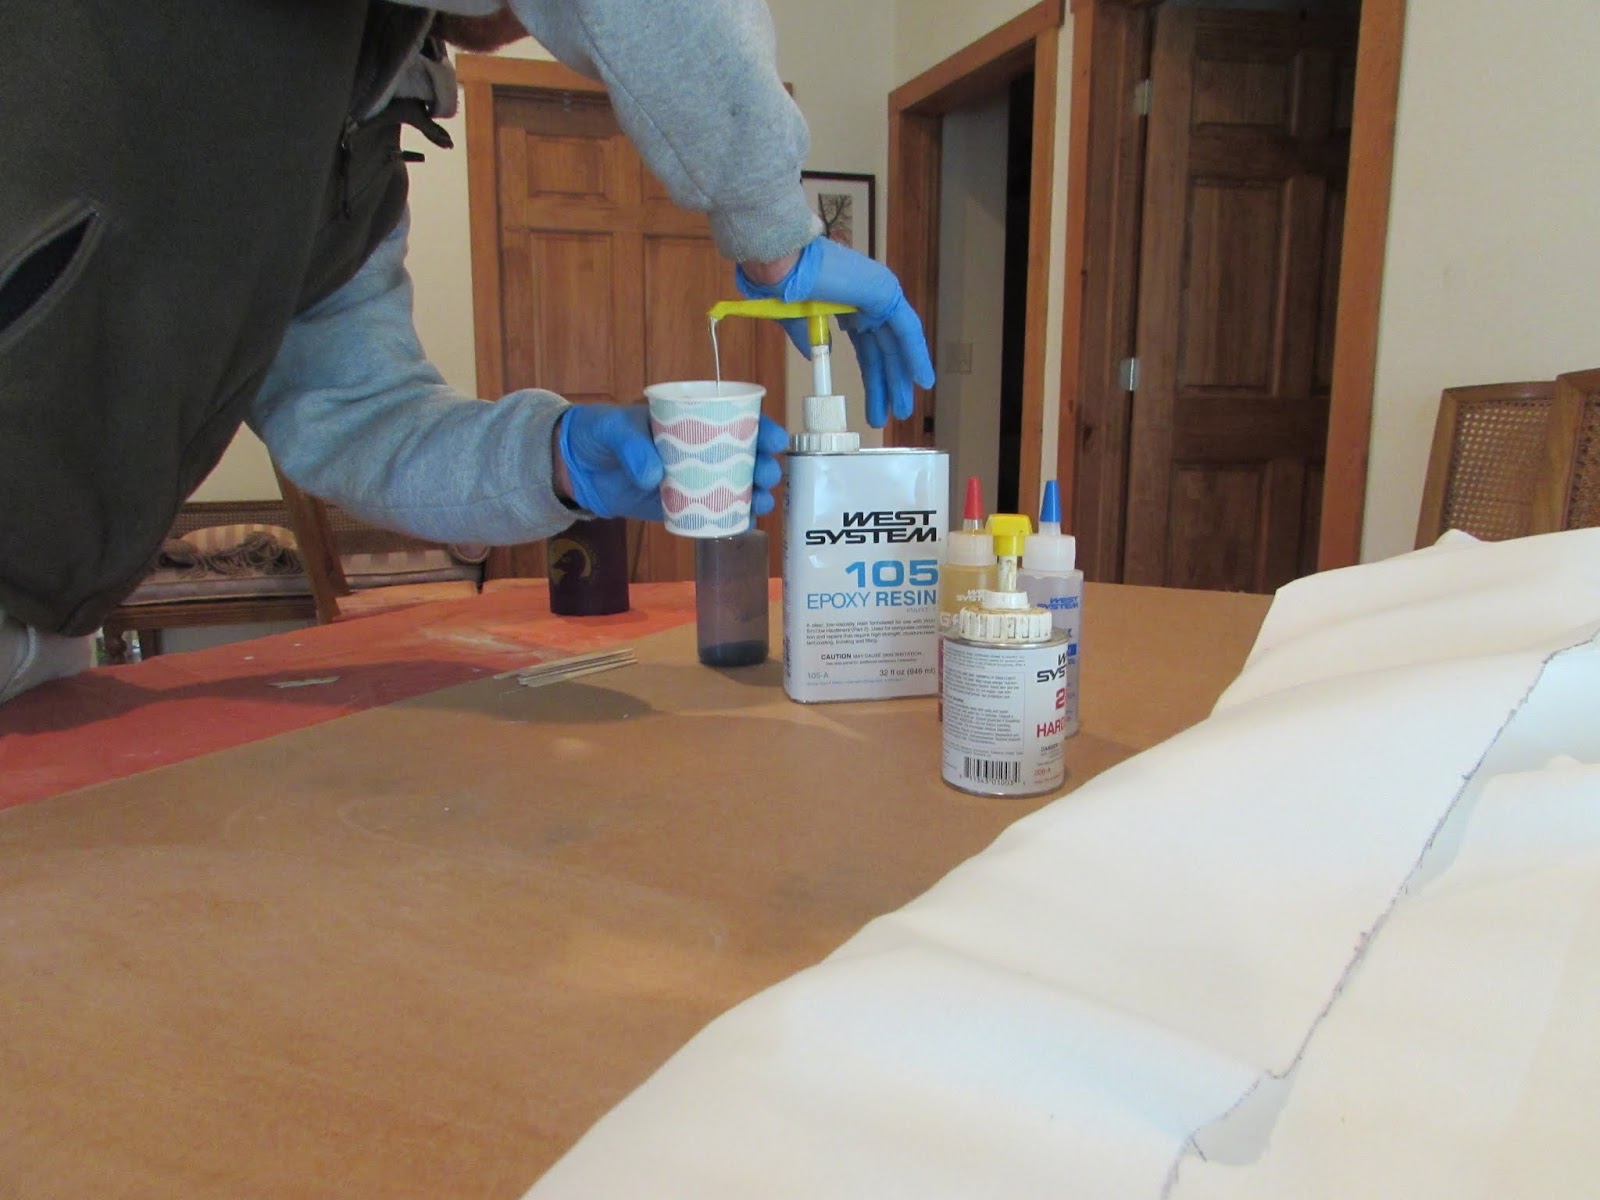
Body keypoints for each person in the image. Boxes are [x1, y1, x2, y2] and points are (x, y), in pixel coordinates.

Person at [0, 0, 935, 705]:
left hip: (44, 634)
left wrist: (555, 458)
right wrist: (775, 230)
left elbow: (359, 417)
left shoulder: (351, 139)